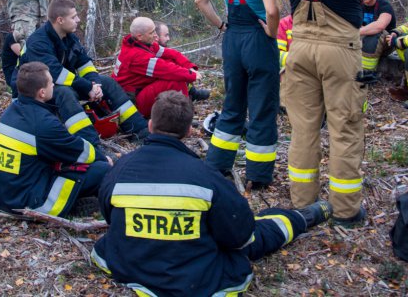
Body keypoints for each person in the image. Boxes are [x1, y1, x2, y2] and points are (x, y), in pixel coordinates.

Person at [91, 91, 332, 297]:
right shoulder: (207, 178)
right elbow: (241, 236)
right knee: (260, 232)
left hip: (132, 264)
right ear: (187, 131)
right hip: (196, 276)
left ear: (151, 125)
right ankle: (304, 217)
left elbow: (110, 217)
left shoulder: (120, 170)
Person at [283, 0, 373, 226]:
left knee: (303, 128)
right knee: (344, 127)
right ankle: (347, 210)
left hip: (300, 47)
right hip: (339, 49)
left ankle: (303, 203)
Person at [195, 0, 280, 188]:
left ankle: (217, 166)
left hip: (232, 40)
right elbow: (271, 10)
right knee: (262, 109)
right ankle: (258, 176)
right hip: (257, 42)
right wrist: (272, 32)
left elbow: (200, 0)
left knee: (232, 105)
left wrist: (221, 25)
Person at [0, 62, 111, 216]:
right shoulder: (43, 123)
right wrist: (104, 158)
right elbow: (78, 152)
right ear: (42, 93)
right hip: (25, 202)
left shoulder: (11, 111)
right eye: (51, 83)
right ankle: (71, 205)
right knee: (102, 170)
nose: (54, 85)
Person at [17, 0, 149, 145]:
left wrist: (95, 84)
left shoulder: (70, 38)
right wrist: (87, 87)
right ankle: (92, 146)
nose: (78, 20)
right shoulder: (38, 42)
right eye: (73, 17)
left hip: (59, 85)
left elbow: (85, 64)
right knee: (65, 93)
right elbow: (56, 73)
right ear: (60, 20)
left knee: (107, 82)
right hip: (34, 93)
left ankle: (141, 133)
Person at [112, 17, 209, 119]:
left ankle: (189, 96)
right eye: (151, 32)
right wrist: (192, 75)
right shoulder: (136, 56)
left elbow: (172, 54)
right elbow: (168, 70)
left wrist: (190, 67)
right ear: (139, 36)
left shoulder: (141, 43)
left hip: (138, 90)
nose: (155, 35)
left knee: (174, 64)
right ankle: (183, 117)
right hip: (132, 103)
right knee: (176, 80)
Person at [153, 20, 211, 102]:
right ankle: (184, 101)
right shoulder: (149, 55)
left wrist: (190, 68)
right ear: (156, 37)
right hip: (151, 94)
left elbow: (176, 55)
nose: (168, 38)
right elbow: (172, 71)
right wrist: (189, 74)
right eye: (166, 35)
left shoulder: (160, 51)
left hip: (159, 91)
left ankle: (191, 92)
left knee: (179, 66)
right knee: (178, 74)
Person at [360, 0, 396, 73]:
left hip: (385, 44)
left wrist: (355, 32)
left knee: (375, 34)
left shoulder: (384, 5)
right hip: (362, 41)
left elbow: (380, 26)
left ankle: (367, 73)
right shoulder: (358, 6)